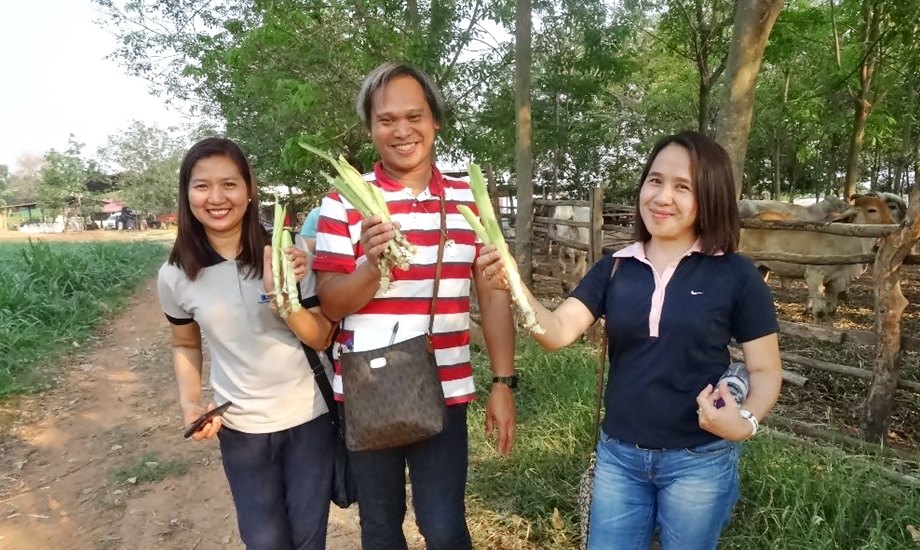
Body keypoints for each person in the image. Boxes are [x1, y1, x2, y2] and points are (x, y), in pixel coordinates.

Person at [477, 131, 782, 550]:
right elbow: (556, 331)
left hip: (699, 461)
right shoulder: (616, 269)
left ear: (709, 196)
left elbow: (766, 370)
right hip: (619, 458)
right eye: (654, 181)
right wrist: (513, 280)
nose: (662, 197)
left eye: (682, 187)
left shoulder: (735, 275)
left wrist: (744, 422)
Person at [312, 62, 518, 550]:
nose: (402, 131)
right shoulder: (342, 203)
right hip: (366, 388)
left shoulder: (469, 200)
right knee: (381, 527)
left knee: (444, 527)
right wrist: (370, 265)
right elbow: (331, 303)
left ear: (435, 122)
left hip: (445, 389)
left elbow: (492, 295)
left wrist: (503, 382)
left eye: (414, 116)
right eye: (386, 120)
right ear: (370, 128)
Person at [156, 137, 338, 550]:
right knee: (263, 541)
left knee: (310, 540)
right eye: (202, 186)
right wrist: (189, 403)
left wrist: (283, 296)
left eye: (230, 184)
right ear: (187, 194)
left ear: (249, 189)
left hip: (310, 418)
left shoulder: (290, 254)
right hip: (241, 430)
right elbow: (185, 344)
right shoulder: (175, 275)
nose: (216, 198)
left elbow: (323, 335)